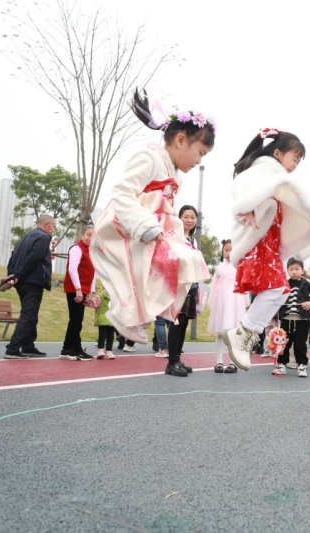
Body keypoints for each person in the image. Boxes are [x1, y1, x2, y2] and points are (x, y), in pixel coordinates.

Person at [90, 89, 213, 352]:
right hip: (132, 222)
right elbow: (123, 192)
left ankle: (142, 314)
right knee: (151, 267)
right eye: (200, 152)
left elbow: (168, 206)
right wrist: (143, 224)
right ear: (181, 140)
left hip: (159, 228)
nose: (199, 160)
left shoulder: (175, 174)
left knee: (189, 263)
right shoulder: (150, 157)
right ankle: (125, 314)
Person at [222, 129, 310, 371]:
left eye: (299, 161)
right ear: (277, 153)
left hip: (269, 244)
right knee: (279, 288)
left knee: (279, 289)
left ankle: (244, 334)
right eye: (294, 158)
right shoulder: (261, 171)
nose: (295, 165)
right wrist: (248, 206)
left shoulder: (276, 179)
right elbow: (242, 192)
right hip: (259, 243)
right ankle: (243, 334)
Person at [4, 214, 56, 359]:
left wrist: (12, 276)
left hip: (22, 281)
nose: (53, 230)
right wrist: (18, 275)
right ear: (46, 225)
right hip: (32, 280)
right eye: (53, 227)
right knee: (28, 314)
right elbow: (34, 258)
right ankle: (13, 348)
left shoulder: (24, 238)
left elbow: (12, 257)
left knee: (31, 314)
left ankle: (28, 346)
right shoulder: (43, 237)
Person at [164, 205, 206, 376]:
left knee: (184, 323)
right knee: (176, 323)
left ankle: (178, 358)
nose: (189, 220)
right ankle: (171, 362)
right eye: (186, 217)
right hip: (178, 285)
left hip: (191, 285)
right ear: (179, 218)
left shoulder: (193, 240)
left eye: (192, 217)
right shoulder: (175, 237)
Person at [207, 239, 246, 374]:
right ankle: (218, 362)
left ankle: (232, 362)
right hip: (222, 304)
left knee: (233, 334)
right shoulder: (219, 268)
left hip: (236, 304)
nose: (229, 253)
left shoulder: (240, 266)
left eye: (232, 250)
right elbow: (213, 288)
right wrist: (213, 303)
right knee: (220, 334)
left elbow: (244, 285)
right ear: (222, 251)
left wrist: (244, 304)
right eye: (226, 250)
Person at [275, 258, 310, 377]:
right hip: (286, 318)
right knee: (283, 343)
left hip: (302, 319)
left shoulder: (306, 284)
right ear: (287, 271)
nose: (294, 272)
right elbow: (278, 298)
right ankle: (281, 364)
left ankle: (302, 365)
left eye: (297, 269)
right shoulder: (285, 283)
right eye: (291, 269)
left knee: (300, 342)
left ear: (302, 270)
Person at [60, 225, 96, 361]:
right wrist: (79, 290)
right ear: (82, 235)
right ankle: (75, 348)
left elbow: (93, 272)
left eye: (93, 236)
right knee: (76, 320)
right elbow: (72, 269)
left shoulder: (91, 252)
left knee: (76, 320)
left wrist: (90, 291)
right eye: (88, 235)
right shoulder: (77, 249)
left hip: (84, 290)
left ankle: (67, 349)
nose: (90, 238)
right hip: (74, 289)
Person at [94, 290, 116, 359]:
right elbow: (94, 304)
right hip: (103, 319)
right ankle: (100, 350)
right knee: (102, 335)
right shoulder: (100, 296)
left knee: (111, 336)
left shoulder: (116, 297)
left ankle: (109, 351)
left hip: (112, 319)